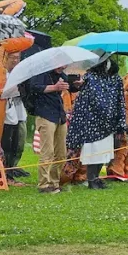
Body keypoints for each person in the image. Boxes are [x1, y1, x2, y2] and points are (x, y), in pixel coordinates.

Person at [66, 59, 127, 189]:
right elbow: (84, 99)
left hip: (108, 122)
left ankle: (96, 177)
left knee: (104, 152)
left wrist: (119, 121)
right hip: (92, 122)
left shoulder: (115, 79)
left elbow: (120, 100)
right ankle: (91, 179)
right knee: (93, 152)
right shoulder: (90, 77)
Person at [30, 66, 77, 194]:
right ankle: (43, 184)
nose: (63, 67)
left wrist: (77, 85)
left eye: (65, 64)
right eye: (61, 64)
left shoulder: (63, 75)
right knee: (47, 152)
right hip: (45, 115)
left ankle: (54, 182)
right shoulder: (41, 73)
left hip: (59, 116)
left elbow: (69, 88)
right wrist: (54, 87)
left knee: (61, 153)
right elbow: (34, 87)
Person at [0, 51, 29, 179]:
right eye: (12, 57)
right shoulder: (2, 74)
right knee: (8, 143)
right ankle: (7, 169)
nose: (15, 60)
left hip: (20, 111)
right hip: (7, 112)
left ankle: (13, 167)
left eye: (18, 58)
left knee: (20, 142)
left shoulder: (20, 74)